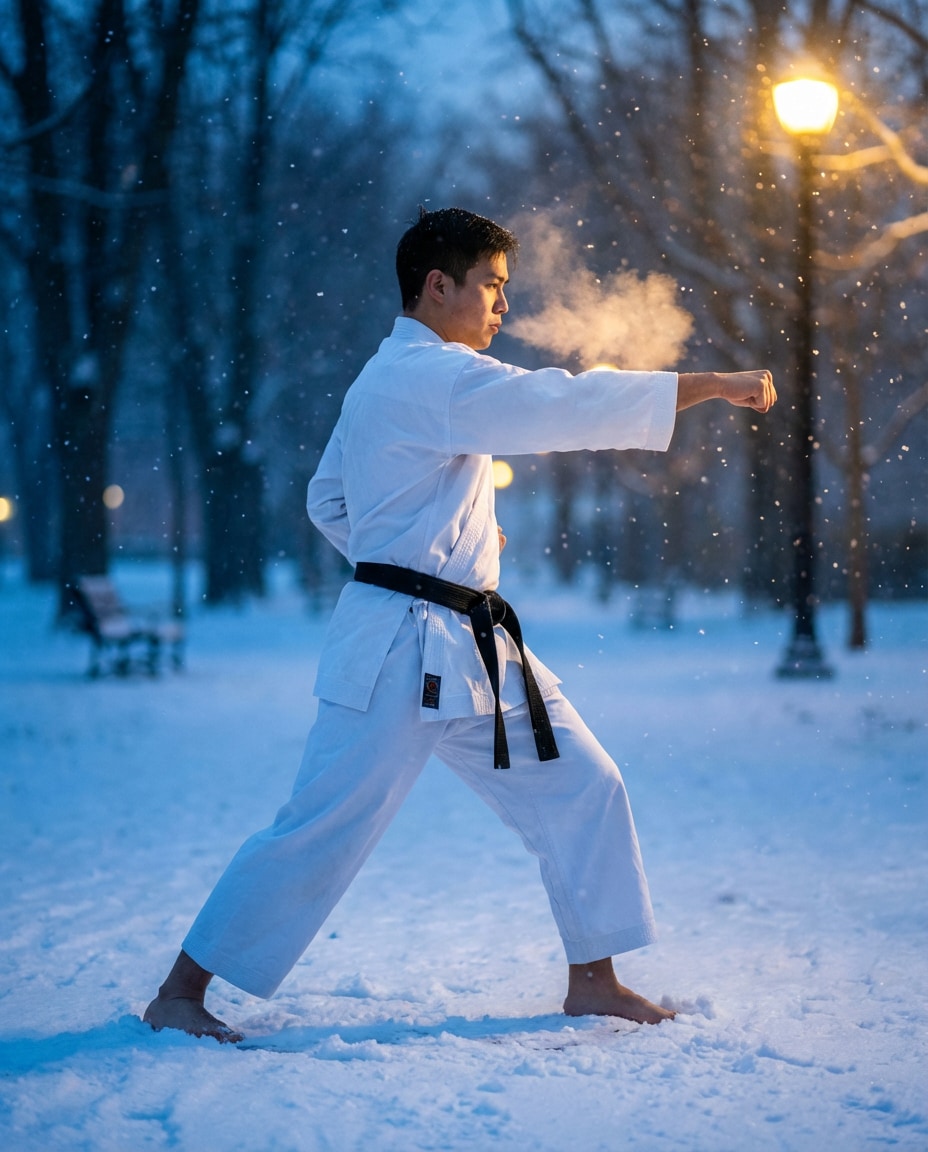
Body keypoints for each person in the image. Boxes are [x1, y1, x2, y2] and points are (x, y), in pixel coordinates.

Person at [144, 207, 776, 1043]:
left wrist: (432, 546)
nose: (502, 306)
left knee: (582, 784)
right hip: (400, 652)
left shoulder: (385, 377)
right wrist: (707, 385)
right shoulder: (430, 377)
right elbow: (565, 405)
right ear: (436, 285)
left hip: (470, 645)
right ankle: (180, 994)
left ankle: (595, 979)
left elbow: (327, 499)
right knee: (322, 825)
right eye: (491, 286)